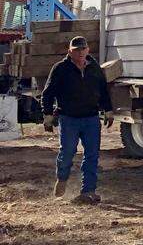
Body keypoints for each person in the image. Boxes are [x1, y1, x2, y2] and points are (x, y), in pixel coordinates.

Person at [41, 35, 113, 204]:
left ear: (88, 50)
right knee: (67, 153)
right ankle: (62, 178)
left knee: (92, 155)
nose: (80, 52)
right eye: (76, 50)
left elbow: (103, 90)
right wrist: (47, 115)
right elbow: (47, 93)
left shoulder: (94, 68)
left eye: (83, 49)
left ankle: (88, 190)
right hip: (69, 118)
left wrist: (108, 110)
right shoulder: (60, 68)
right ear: (70, 52)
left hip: (91, 118)